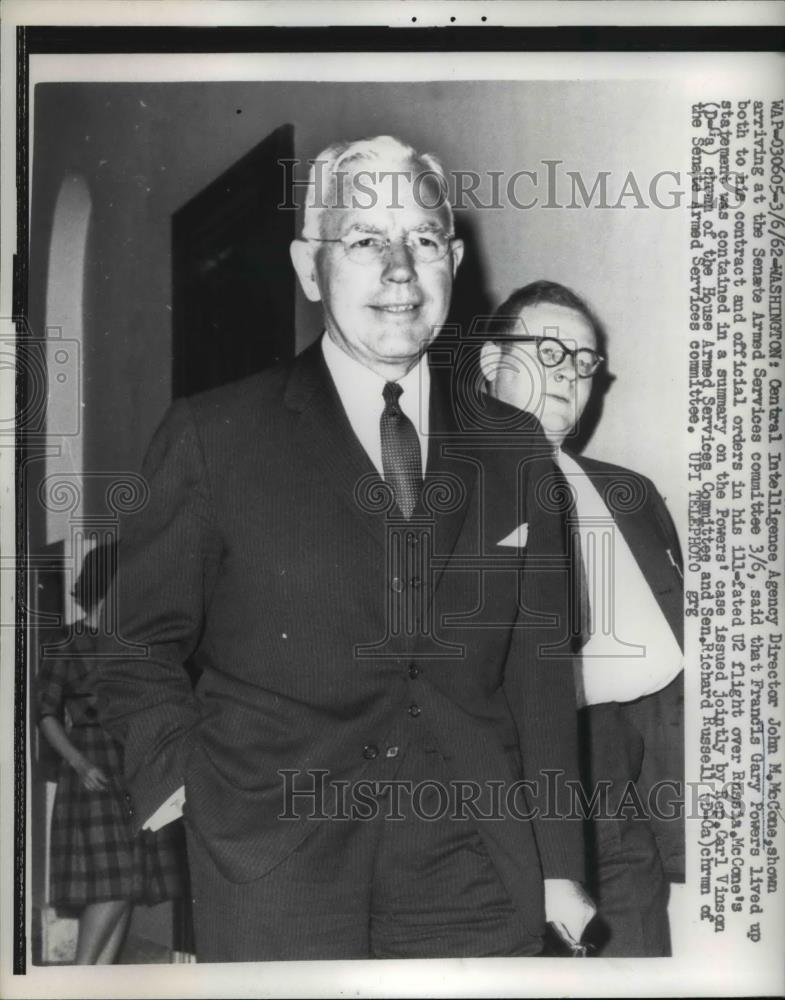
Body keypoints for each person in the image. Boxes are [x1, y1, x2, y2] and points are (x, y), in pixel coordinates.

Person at [92, 136, 594, 962]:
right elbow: (132, 646)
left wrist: (559, 865)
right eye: (364, 240)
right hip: (274, 860)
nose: (399, 270)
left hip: (474, 865)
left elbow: (537, 676)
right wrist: (183, 783)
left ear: (452, 262)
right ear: (309, 267)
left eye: (422, 240)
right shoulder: (212, 436)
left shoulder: (514, 448)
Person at [480, 279, 684, 956]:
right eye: (548, 351)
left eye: (584, 360)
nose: (569, 373)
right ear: (490, 364)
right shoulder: (439, 485)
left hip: (616, 790)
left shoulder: (630, 494)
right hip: (500, 796)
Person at [36, 542, 184, 964]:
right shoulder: (66, 641)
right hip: (92, 766)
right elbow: (45, 715)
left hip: (131, 767)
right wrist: (80, 764)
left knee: (128, 883)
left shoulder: (132, 644)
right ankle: (81, 977)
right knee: (115, 882)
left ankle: (96, 982)